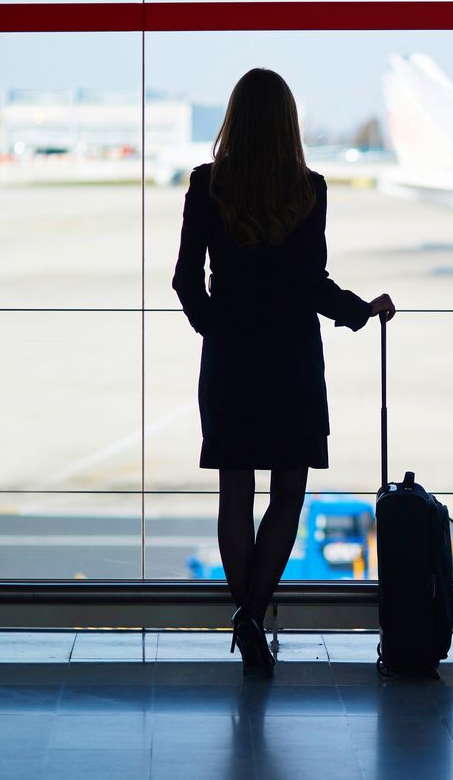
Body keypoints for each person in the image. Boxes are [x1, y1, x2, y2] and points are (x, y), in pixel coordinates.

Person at [172, 68, 395, 677]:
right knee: (287, 496)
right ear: (288, 124)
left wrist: (215, 327)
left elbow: (186, 281)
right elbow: (311, 284)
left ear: (235, 120)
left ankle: (246, 620)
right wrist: (360, 311)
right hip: (292, 360)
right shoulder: (309, 189)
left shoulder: (206, 185)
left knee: (234, 493)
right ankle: (251, 616)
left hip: (231, 361)